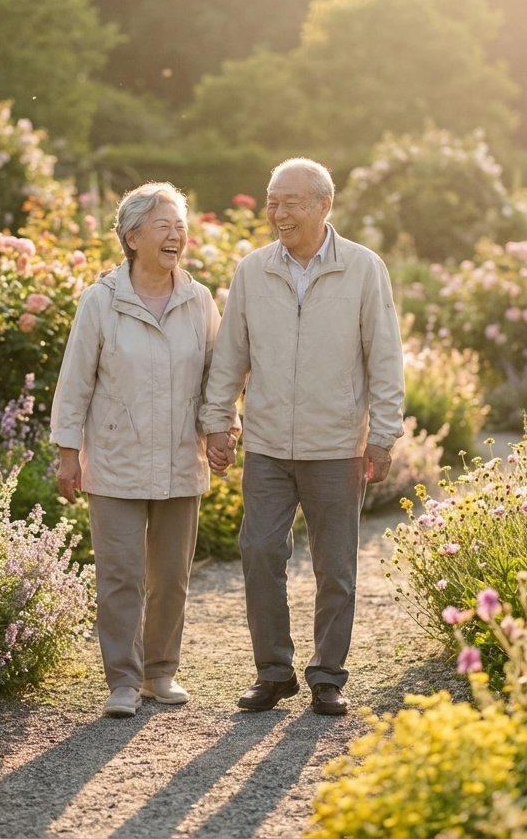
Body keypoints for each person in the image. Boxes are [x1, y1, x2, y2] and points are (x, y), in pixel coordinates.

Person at [200, 157, 404, 716]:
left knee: (334, 566)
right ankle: (273, 672)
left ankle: (327, 675)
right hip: (266, 443)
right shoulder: (252, 270)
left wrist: (383, 435)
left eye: (291, 201)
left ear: (323, 206)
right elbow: (231, 356)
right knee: (259, 550)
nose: (278, 212)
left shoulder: (364, 269)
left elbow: (384, 357)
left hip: (337, 445)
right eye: (272, 200)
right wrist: (218, 419)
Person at [50, 181, 223, 718]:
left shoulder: (199, 300)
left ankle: (160, 674)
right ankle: (122, 680)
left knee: (171, 576)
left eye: (180, 225)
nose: (177, 234)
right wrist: (67, 452)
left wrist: (223, 429)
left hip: (178, 457)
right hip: (117, 459)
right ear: (131, 236)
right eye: (163, 225)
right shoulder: (102, 301)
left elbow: (218, 376)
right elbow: (74, 380)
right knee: (120, 574)